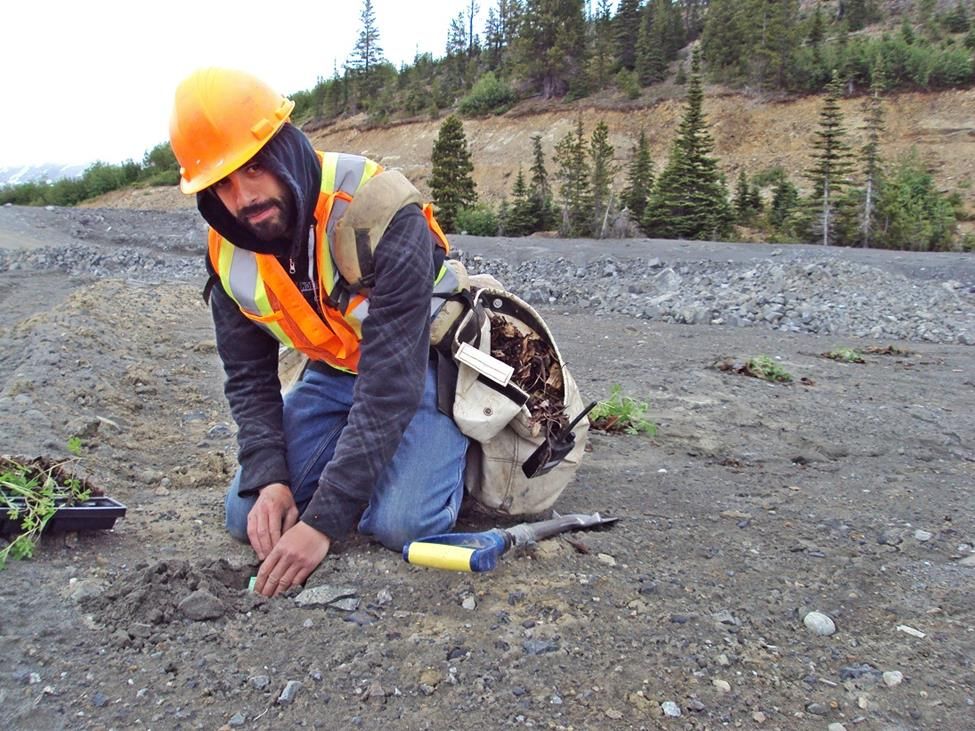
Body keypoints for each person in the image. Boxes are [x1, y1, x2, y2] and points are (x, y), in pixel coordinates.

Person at [169, 68, 469, 597]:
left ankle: (455, 450)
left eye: (254, 167)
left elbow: (390, 384)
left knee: (401, 524)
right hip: (333, 375)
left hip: (420, 367)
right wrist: (270, 476)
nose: (243, 198)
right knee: (248, 515)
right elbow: (247, 377)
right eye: (221, 184)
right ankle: (364, 464)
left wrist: (323, 522)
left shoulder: (379, 210)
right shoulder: (226, 252)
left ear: (285, 147)